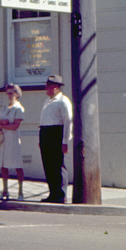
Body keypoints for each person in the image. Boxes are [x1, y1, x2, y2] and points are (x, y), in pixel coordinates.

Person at [38, 74, 72, 203]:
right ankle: (53, 193)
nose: (46, 88)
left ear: (56, 87)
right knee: (48, 164)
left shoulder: (63, 101)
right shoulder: (48, 101)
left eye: (49, 86)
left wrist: (65, 141)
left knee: (58, 164)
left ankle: (61, 194)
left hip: (56, 133)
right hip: (46, 132)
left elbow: (68, 122)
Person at [0, 83, 25, 200]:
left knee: (17, 165)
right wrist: (5, 123)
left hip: (13, 141)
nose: (9, 95)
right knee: (3, 165)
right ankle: (5, 191)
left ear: (17, 94)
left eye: (11, 93)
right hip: (3, 139)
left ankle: (20, 192)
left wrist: (5, 124)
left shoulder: (19, 108)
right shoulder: (4, 108)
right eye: (7, 93)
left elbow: (15, 126)